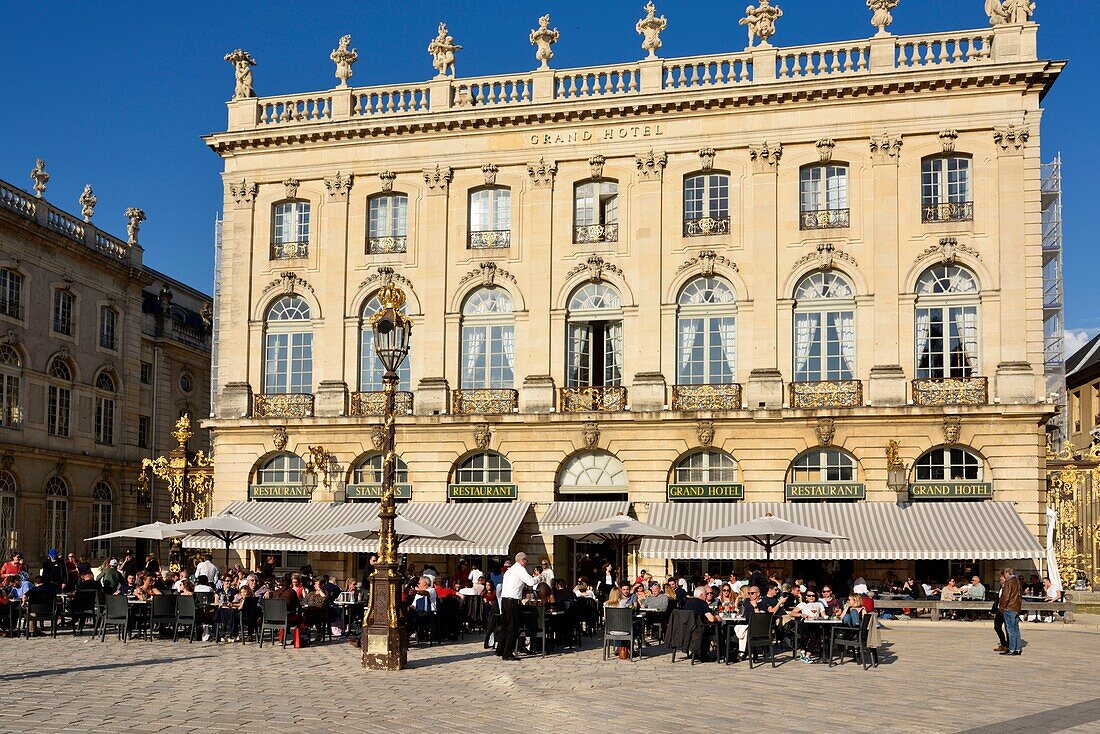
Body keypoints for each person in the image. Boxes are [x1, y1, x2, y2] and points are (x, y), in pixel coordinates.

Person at [497, 552, 539, 661]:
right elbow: (530, 581)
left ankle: (500, 650)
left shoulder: (510, 570)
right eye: (526, 560)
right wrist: (539, 578)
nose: (527, 562)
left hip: (505, 599)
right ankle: (507, 653)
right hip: (512, 601)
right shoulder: (520, 569)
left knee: (505, 627)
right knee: (513, 628)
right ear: (522, 560)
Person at [791, 590, 827, 662]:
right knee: (805, 634)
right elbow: (792, 613)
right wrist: (801, 614)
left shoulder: (819, 604)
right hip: (804, 623)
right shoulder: (803, 604)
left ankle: (807, 655)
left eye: (813, 595)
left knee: (814, 635)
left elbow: (824, 615)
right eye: (809, 596)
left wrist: (822, 617)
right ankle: (802, 651)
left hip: (815, 623)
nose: (811, 597)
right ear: (806, 597)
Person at [999, 566, 1023, 656]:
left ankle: (1012, 649)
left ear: (1007, 572)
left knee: (1011, 630)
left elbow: (1006, 596)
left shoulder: (1009, 581)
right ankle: (1018, 648)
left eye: (1004, 573)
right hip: (1016, 607)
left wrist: (1002, 607)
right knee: (1016, 629)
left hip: (1009, 607)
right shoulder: (1017, 581)